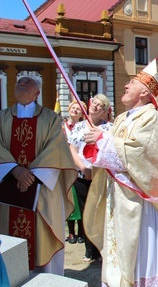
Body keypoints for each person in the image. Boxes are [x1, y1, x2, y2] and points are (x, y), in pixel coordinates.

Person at [82, 60, 158, 286]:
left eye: (131, 83)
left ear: (144, 92)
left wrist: (103, 140)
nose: (125, 86)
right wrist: (97, 141)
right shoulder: (123, 118)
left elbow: (141, 152)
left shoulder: (151, 117)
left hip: (143, 201)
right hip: (119, 196)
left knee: (143, 247)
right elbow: (113, 151)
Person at [0, 76, 77, 275]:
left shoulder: (51, 118)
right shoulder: (1, 117)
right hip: (7, 189)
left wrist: (30, 176)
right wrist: (14, 170)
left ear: (37, 93)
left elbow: (57, 149)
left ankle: (46, 278)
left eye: (28, 82)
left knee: (42, 238)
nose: (22, 84)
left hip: (42, 190)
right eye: (19, 83)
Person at [67, 94, 113, 263]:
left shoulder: (109, 128)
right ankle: (89, 249)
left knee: (100, 212)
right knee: (86, 212)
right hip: (82, 177)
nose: (95, 106)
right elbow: (72, 149)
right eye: (94, 103)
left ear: (104, 112)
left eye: (100, 105)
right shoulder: (79, 127)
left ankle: (101, 249)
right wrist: (83, 168)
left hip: (101, 178)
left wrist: (96, 169)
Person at [63, 100, 87, 245]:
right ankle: (71, 232)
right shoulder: (61, 126)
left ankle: (82, 232)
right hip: (66, 166)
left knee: (81, 199)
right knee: (69, 198)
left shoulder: (84, 127)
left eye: (79, 109)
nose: (76, 110)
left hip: (79, 168)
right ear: (69, 108)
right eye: (74, 107)